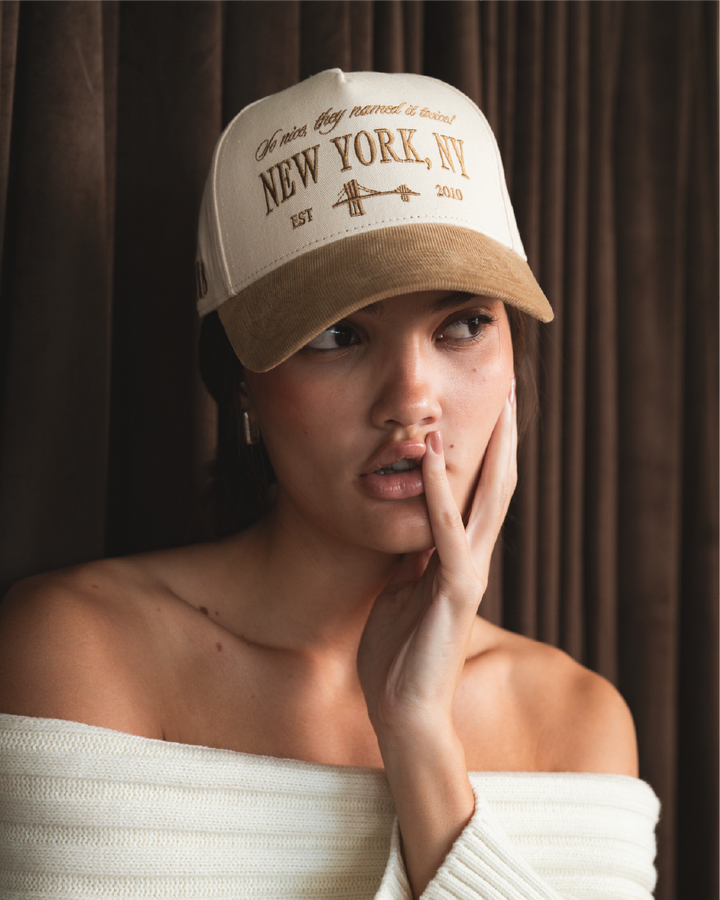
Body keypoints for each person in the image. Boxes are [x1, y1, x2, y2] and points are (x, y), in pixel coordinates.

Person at [0, 69, 658, 899]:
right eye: (338, 335)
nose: (412, 400)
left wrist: (418, 735)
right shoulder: (79, 654)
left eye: (462, 324)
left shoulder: (577, 724)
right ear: (242, 381)